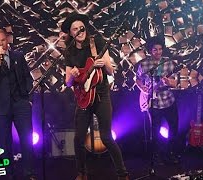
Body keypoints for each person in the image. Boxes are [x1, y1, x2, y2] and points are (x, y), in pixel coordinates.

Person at [61, 12, 129, 180]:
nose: (79, 31)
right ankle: (82, 173)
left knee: (106, 136)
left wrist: (103, 63)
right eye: (75, 29)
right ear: (70, 33)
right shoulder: (69, 52)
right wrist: (73, 75)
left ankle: (122, 174)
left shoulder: (96, 42)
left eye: (81, 27)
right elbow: (68, 82)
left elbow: (110, 70)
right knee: (78, 139)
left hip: (101, 94)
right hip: (83, 96)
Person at [0, 29, 36, 180]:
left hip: (21, 104)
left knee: (27, 139)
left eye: (3, 40)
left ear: (7, 40)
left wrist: (29, 99)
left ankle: (29, 173)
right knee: (5, 143)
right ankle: (8, 175)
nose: (1, 43)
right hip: (1, 107)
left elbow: (27, 78)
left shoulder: (18, 56)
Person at [135, 36, 180, 165]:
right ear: (150, 51)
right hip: (153, 103)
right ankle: (156, 156)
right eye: (155, 50)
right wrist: (142, 87)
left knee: (173, 129)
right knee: (155, 131)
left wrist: (168, 81)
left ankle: (171, 154)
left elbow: (175, 83)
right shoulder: (144, 64)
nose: (158, 52)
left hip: (169, 100)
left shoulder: (169, 63)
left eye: (160, 49)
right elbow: (137, 79)